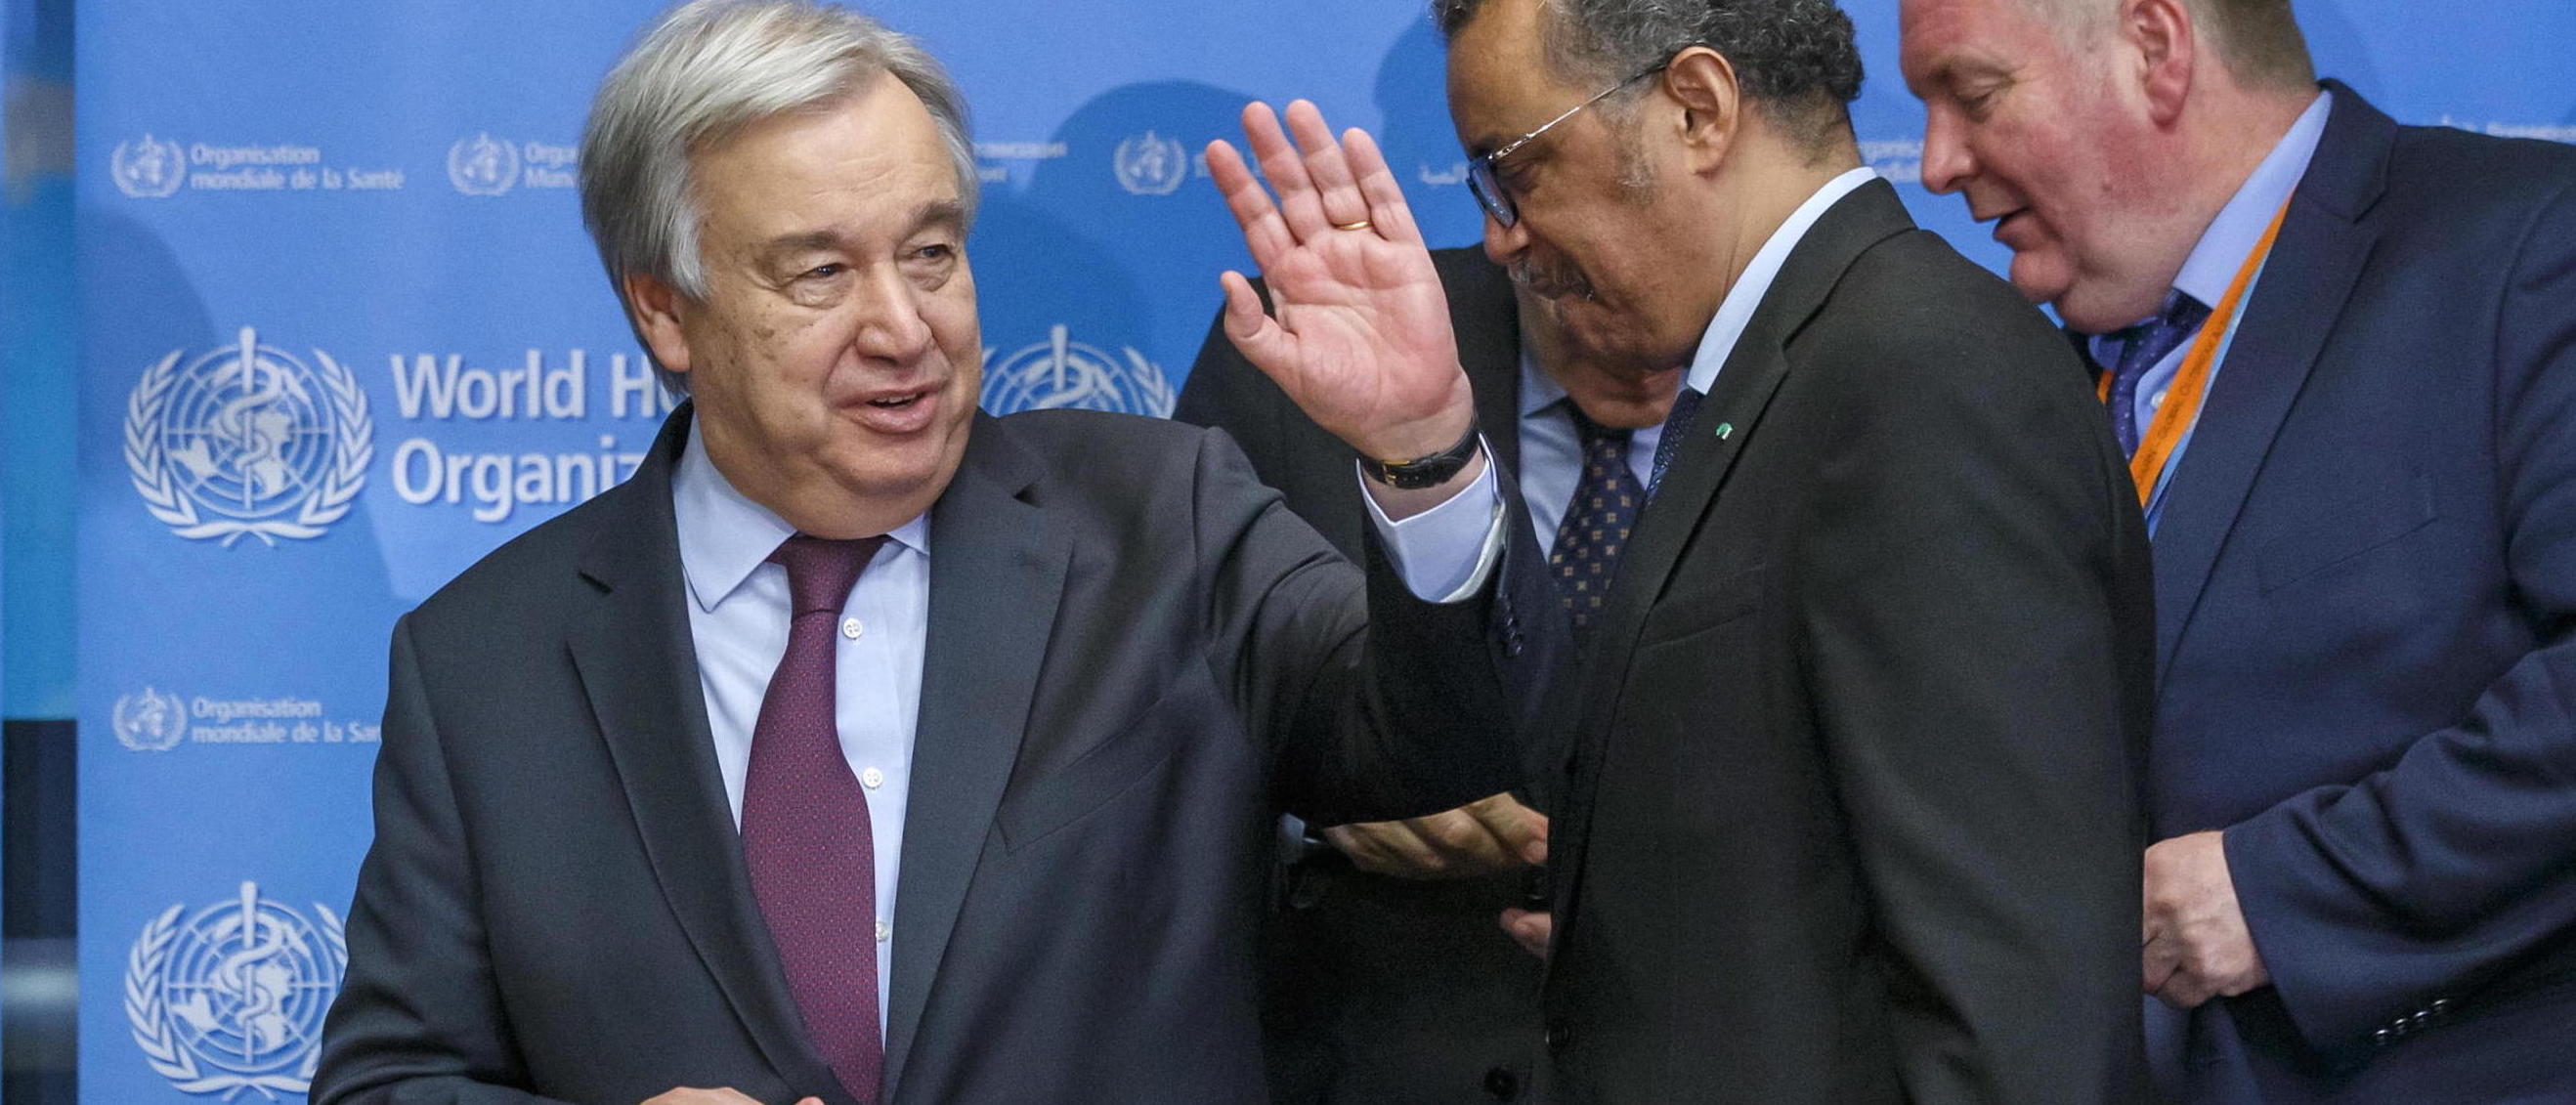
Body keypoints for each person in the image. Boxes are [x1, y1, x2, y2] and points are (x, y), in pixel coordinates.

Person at [310, 2, 1553, 1102]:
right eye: (819, 273)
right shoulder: (484, 660)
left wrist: (1422, 454)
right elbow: (391, 1075)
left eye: (929, 253)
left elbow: (1437, 736)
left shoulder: (1158, 520)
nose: (902, 328)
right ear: (661, 308)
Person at [1210, 0, 2157, 1099]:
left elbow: (2015, 1009)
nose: (1502, 232)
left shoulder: (1915, 378)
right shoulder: (1790, 371)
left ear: (1696, 109)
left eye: (1513, 166)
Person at [1899, 0, 2576, 1099]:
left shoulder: (2528, 251)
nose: (1932, 164)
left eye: (1971, 97)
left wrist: (2283, 892)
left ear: (2154, 52)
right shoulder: (2018, 384)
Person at [1179, 250, 1673, 1104]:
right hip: (1376, 1046)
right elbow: (1171, 697)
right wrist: (1317, 800)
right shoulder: (1313, 337)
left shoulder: (1844, 365)